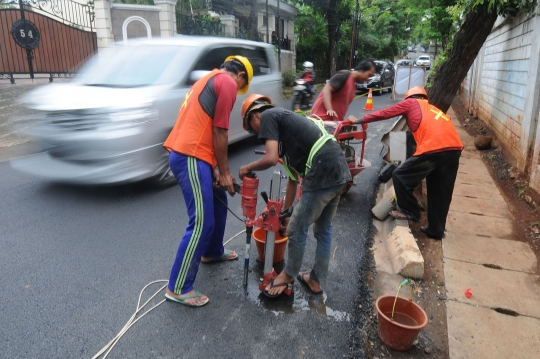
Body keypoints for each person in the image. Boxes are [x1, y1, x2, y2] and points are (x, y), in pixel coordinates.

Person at [238, 94, 351, 297]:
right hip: (338, 170)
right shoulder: (288, 134)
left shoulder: (269, 116)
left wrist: (247, 167)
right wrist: (286, 212)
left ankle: (288, 275)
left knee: (297, 230)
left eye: (252, 128)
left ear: (255, 116)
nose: (259, 134)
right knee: (323, 229)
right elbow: (292, 180)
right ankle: (315, 280)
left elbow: (271, 159)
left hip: (322, 170)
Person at [162, 55, 253, 307]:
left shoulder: (208, 78)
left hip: (196, 155)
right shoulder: (227, 82)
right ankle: (178, 287)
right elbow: (219, 130)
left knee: (219, 199)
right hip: (190, 156)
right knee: (201, 221)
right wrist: (224, 172)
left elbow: (202, 125)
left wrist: (213, 167)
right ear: (241, 76)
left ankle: (212, 252)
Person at [351, 86, 463, 240]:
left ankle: (411, 211)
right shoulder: (432, 109)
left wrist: (359, 120)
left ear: (410, 97)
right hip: (454, 148)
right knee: (440, 191)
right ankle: (436, 230)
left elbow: (385, 113)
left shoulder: (411, 103)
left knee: (400, 175)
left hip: (434, 146)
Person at [310, 60, 376, 121]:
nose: (368, 78)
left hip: (335, 121)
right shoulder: (344, 75)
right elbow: (326, 89)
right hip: (321, 118)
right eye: (369, 75)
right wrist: (329, 109)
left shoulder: (354, 85)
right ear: (362, 71)